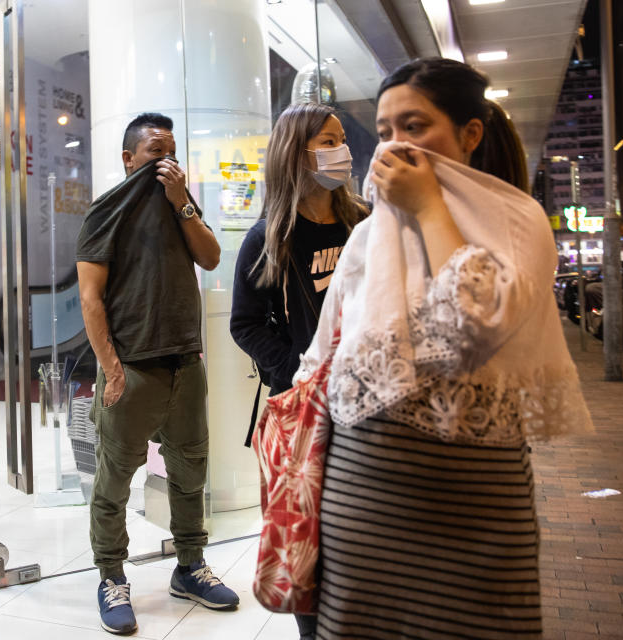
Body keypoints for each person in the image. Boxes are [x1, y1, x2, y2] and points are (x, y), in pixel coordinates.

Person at [294, 57, 593, 640]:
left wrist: (429, 205)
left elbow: (475, 326)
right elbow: (321, 354)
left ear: (470, 134)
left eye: (415, 126)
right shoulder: (367, 235)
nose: (395, 146)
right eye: (384, 132)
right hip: (365, 496)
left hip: (479, 499)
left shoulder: (518, 218)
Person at [76, 112, 238, 635]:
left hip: (185, 364)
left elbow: (211, 258)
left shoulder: (181, 207)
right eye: (154, 153)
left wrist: (183, 202)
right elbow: (90, 297)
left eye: (170, 152)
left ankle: (190, 567)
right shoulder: (105, 212)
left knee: (191, 474)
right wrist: (111, 369)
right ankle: (112, 577)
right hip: (132, 371)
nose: (164, 162)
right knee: (115, 481)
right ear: (129, 159)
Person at [230, 102, 367, 640]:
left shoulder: (362, 222)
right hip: (308, 414)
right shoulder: (269, 237)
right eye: (328, 141)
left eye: (341, 139)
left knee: (361, 535)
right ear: (297, 153)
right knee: (313, 543)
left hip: (368, 402)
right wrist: (298, 372)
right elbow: (245, 324)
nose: (342, 151)